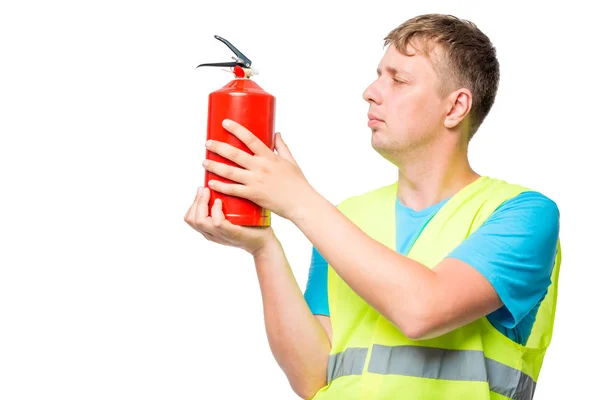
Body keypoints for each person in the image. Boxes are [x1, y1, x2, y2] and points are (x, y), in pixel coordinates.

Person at [184, 13, 561, 400]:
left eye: (398, 80)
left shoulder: (522, 215)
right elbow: (313, 376)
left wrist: (299, 200)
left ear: (455, 107)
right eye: (378, 75)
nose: (370, 91)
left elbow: (423, 310)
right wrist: (263, 246)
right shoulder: (348, 218)